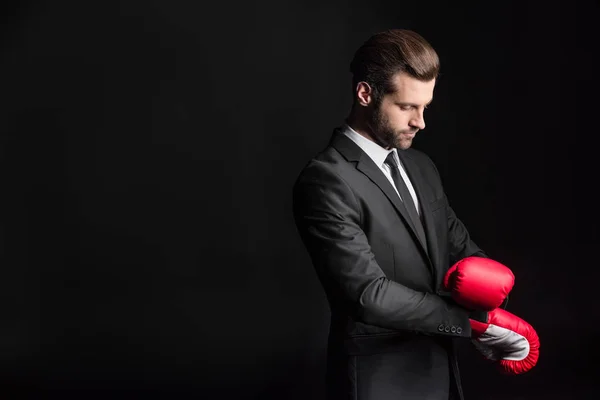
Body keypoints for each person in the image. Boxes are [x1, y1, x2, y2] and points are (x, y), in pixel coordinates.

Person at [292, 29, 490, 400]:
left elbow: (462, 250)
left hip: (441, 374)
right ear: (365, 94)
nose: (420, 122)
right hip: (379, 382)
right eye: (406, 107)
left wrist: (493, 303)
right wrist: (470, 324)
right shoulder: (326, 179)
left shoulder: (422, 167)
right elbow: (367, 293)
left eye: (425, 107)